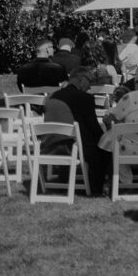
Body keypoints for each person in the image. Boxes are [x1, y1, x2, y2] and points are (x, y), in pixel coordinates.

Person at [43, 67, 110, 196]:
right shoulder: (85, 98)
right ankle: (97, 188)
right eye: (90, 81)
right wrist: (106, 139)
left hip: (52, 143)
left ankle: (63, 181)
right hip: (76, 146)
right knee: (104, 149)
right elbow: (94, 129)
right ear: (81, 79)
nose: (90, 86)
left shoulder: (54, 96)